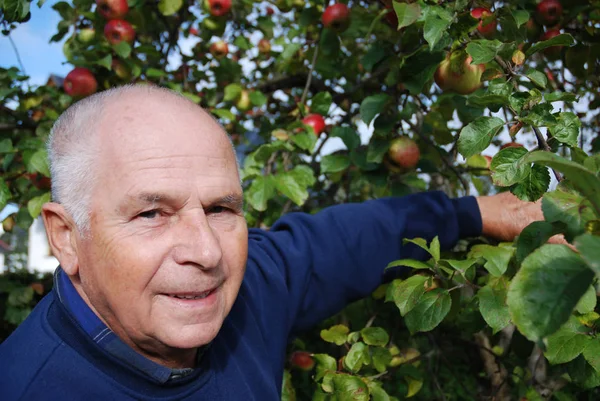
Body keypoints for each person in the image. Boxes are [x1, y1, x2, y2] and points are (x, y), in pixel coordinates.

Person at [0, 85, 543, 400]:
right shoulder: (30, 387)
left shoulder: (246, 288)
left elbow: (346, 240)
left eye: (221, 209)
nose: (207, 253)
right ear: (67, 237)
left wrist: (480, 212)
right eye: (150, 213)